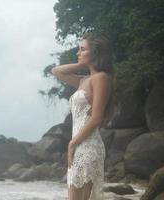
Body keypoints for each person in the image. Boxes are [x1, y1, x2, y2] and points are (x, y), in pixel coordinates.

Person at [52, 32, 113, 200]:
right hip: (80, 146)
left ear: (95, 53)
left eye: (82, 49)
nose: (78, 53)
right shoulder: (83, 80)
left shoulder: (101, 78)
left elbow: (96, 118)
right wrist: (82, 64)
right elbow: (56, 71)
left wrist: (73, 143)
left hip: (87, 146)